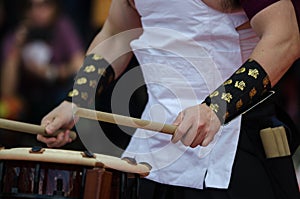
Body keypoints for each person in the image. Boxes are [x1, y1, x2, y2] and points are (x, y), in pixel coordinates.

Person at [38, 0, 300, 198]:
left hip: (233, 140)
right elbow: (116, 33)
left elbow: (285, 38)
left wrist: (215, 108)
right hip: (153, 149)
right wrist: (77, 100)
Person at [0, 0, 84, 146]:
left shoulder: (61, 26)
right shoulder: (18, 34)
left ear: (54, 7)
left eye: (43, 5)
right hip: (28, 102)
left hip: (58, 97)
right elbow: (7, 91)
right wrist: (17, 48)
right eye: (31, 6)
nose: (37, 12)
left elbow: (80, 65)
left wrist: (51, 73)